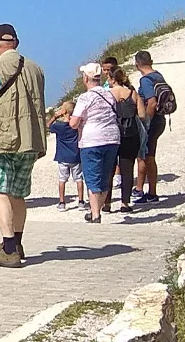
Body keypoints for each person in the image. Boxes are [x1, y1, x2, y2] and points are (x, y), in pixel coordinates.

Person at [0, 24, 47, 269]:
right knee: (18, 193)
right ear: (17, 43)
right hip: (30, 140)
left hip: (2, 139)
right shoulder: (37, 69)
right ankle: (16, 243)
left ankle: (9, 250)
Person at [69, 64, 122, 224]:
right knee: (106, 176)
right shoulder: (109, 94)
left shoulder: (85, 98)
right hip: (112, 137)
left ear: (86, 78)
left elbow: (73, 123)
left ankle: (95, 214)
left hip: (92, 139)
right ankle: (96, 209)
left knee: (92, 177)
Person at [132, 52, 169, 204]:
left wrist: (145, 121)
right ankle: (147, 191)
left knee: (147, 157)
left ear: (136, 64)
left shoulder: (145, 81)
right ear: (151, 61)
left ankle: (152, 193)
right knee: (148, 156)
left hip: (152, 122)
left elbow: (152, 102)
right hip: (161, 120)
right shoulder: (158, 76)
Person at [107, 66, 141, 212]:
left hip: (113, 134)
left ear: (112, 79)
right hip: (131, 134)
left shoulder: (108, 94)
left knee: (109, 169)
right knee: (127, 169)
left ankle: (106, 203)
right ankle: (125, 203)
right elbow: (142, 114)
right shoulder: (133, 93)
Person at [47, 100, 83, 211]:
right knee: (78, 178)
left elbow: (47, 125)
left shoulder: (59, 126)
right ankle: (81, 201)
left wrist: (55, 117)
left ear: (64, 111)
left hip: (62, 156)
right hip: (75, 156)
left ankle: (62, 202)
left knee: (62, 179)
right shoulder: (76, 125)